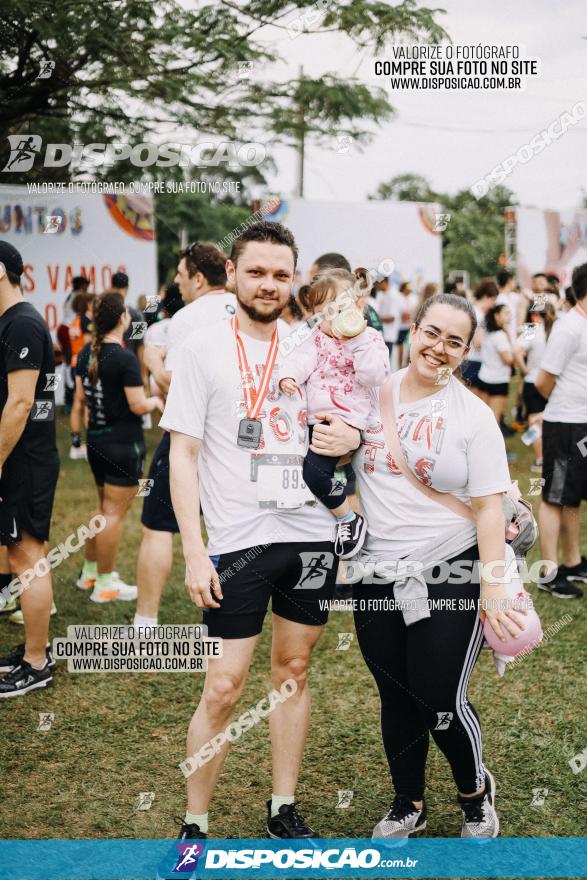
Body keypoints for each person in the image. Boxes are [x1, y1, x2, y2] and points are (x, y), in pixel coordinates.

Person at [160, 221, 359, 841]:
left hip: (309, 534)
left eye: (280, 274)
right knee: (223, 685)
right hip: (236, 543)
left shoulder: (314, 345)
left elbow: (354, 417)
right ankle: (195, 821)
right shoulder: (199, 349)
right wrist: (195, 553)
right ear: (232, 276)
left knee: (292, 668)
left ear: (294, 279)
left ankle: (283, 807)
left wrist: (351, 437)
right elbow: (183, 455)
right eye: (257, 272)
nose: (269, 285)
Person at [352, 293, 527, 839]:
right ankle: (409, 801)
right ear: (414, 330)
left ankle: (475, 794)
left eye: (454, 341)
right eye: (432, 333)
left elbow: (489, 509)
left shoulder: (473, 416)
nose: (439, 347)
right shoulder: (366, 397)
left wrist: (494, 587)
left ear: (467, 351)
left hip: (451, 567)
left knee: (439, 695)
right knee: (395, 694)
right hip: (375, 573)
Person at [132, 243, 233, 631]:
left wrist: (154, 363)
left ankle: (145, 620)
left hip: (190, 435)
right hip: (237, 441)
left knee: (158, 526)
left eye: (180, 274)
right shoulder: (242, 309)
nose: (176, 281)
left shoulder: (188, 317)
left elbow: (176, 385)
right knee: (233, 528)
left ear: (198, 277)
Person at [280, 268, 389, 558]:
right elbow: (300, 360)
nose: (333, 319)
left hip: (350, 421)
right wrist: (288, 377)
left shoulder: (371, 338)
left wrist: (357, 338)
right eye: (324, 314)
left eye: (341, 308)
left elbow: (374, 375)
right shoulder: (316, 339)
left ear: (358, 306)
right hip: (316, 421)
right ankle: (338, 518)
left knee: (321, 476)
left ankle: (348, 520)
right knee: (309, 475)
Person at [72, 292, 163, 603]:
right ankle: (105, 583)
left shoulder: (85, 354)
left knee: (102, 510)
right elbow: (138, 405)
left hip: (96, 441)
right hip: (123, 445)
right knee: (113, 515)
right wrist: (156, 400)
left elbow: (82, 401)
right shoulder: (123, 358)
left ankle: (89, 573)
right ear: (122, 319)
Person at [0, 241, 60, 697]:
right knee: (23, 553)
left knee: (27, 556)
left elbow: (20, 403)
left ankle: (36, 662)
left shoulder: (21, 323)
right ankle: (32, 651)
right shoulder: (14, 321)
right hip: (20, 459)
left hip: (25, 460)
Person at [535, 262, 587, 599]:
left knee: (573, 495)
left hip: (581, 423)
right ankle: (548, 571)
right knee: (555, 498)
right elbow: (542, 382)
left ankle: (572, 561)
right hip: (563, 424)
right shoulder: (569, 327)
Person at [513, 302, 556, 472]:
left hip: (533, 379)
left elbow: (516, 350)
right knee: (551, 419)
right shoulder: (558, 332)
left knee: (534, 421)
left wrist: (524, 369)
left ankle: (540, 460)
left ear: (536, 315)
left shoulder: (532, 329)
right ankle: (552, 457)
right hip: (553, 381)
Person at [476, 304, 513, 425]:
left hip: (484, 376)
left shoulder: (488, 333)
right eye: (506, 313)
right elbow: (507, 359)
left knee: (481, 415)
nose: (510, 316)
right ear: (496, 316)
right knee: (494, 419)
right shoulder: (500, 336)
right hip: (498, 380)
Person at [68, 291, 94, 460]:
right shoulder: (86, 321)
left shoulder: (75, 320)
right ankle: (91, 445)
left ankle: (76, 444)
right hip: (83, 365)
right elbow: (88, 345)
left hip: (74, 364)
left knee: (77, 404)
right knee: (86, 404)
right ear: (89, 304)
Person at [59, 275, 89, 413]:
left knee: (71, 363)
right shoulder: (79, 296)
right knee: (72, 363)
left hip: (67, 329)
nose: (87, 287)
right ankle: (70, 400)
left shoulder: (70, 295)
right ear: (81, 285)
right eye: (85, 285)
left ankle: (71, 399)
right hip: (71, 330)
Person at [461, 279, 498, 390]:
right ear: (486, 297)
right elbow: (478, 344)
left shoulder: (469, 309)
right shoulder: (480, 315)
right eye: (492, 300)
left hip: (466, 359)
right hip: (474, 360)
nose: (493, 305)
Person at [374, 276, 399, 363]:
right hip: (382, 334)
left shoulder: (393, 295)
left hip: (389, 335)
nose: (376, 286)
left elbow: (392, 317)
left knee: (385, 363)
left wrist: (374, 318)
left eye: (378, 284)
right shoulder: (382, 295)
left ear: (384, 283)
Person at [396, 281, 418, 368]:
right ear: (403, 289)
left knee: (411, 345)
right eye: (407, 289)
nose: (408, 291)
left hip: (410, 326)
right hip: (401, 326)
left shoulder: (413, 298)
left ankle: (408, 365)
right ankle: (399, 366)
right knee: (400, 346)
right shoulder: (398, 298)